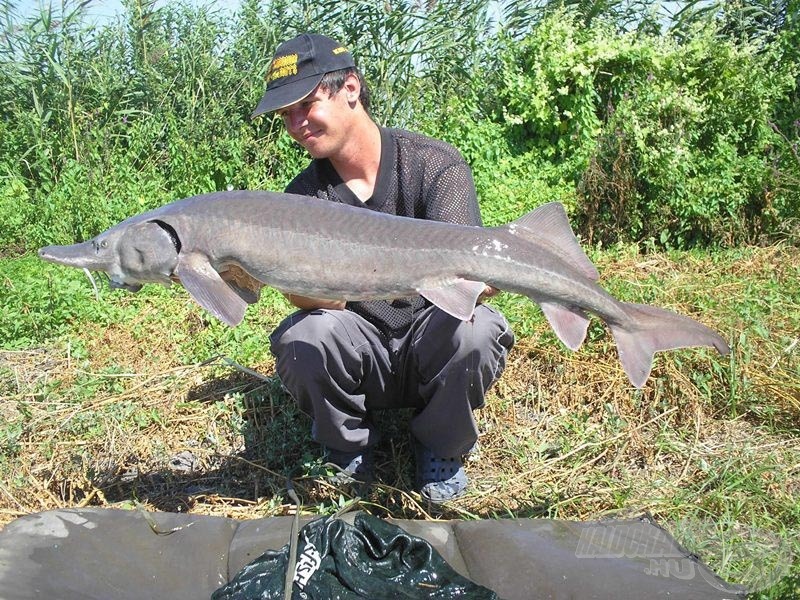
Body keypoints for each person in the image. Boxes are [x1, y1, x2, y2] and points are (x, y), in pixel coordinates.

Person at [252, 33, 514, 503]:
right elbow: (317, 302)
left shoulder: (433, 164)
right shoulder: (301, 199)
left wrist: (489, 277)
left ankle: (439, 447)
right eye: (284, 115)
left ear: (350, 87)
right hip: (361, 346)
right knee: (302, 339)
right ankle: (347, 450)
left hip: (429, 342)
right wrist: (274, 273)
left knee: (478, 330)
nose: (295, 123)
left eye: (305, 104)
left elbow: (470, 281)